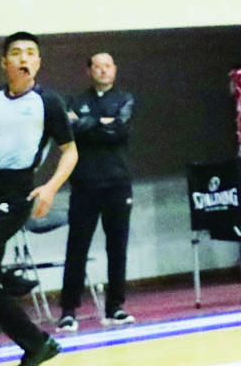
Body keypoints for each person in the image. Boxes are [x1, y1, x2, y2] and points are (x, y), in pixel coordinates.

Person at [0, 32, 77, 366]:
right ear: (4, 62)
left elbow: (70, 152)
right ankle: (37, 344)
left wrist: (50, 187)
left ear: (38, 62)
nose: (24, 58)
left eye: (30, 53)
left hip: (16, 191)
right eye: (17, 53)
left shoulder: (48, 102)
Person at [58, 53, 136, 331]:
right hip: (85, 184)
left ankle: (115, 307)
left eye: (108, 66)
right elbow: (70, 129)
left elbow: (119, 132)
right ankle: (68, 310)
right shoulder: (75, 101)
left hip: (117, 183)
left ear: (114, 69)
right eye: (97, 66)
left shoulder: (125, 99)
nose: (103, 70)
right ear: (89, 71)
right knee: (77, 247)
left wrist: (88, 123)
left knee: (117, 247)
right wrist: (101, 122)